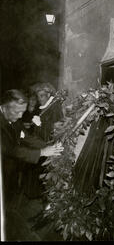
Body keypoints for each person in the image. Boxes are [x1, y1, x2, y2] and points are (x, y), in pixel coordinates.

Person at [0, 89, 64, 240]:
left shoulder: (14, 119)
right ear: (4, 107)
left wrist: (50, 146)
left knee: (9, 207)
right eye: (17, 112)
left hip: (10, 174)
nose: (21, 116)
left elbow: (26, 137)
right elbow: (11, 150)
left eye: (22, 112)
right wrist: (42, 152)